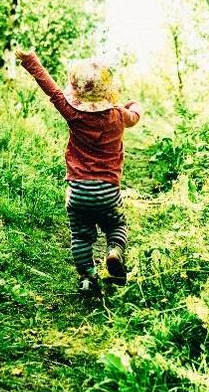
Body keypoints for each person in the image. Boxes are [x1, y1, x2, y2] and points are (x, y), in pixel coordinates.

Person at [15, 49, 144, 295]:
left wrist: (31, 61)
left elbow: (51, 90)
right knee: (116, 225)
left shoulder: (73, 114)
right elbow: (135, 116)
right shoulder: (118, 115)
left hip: (78, 192)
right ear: (108, 91)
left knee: (81, 237)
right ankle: (115, 251)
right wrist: (134, 105)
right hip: (108, 191)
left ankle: (87, 277)